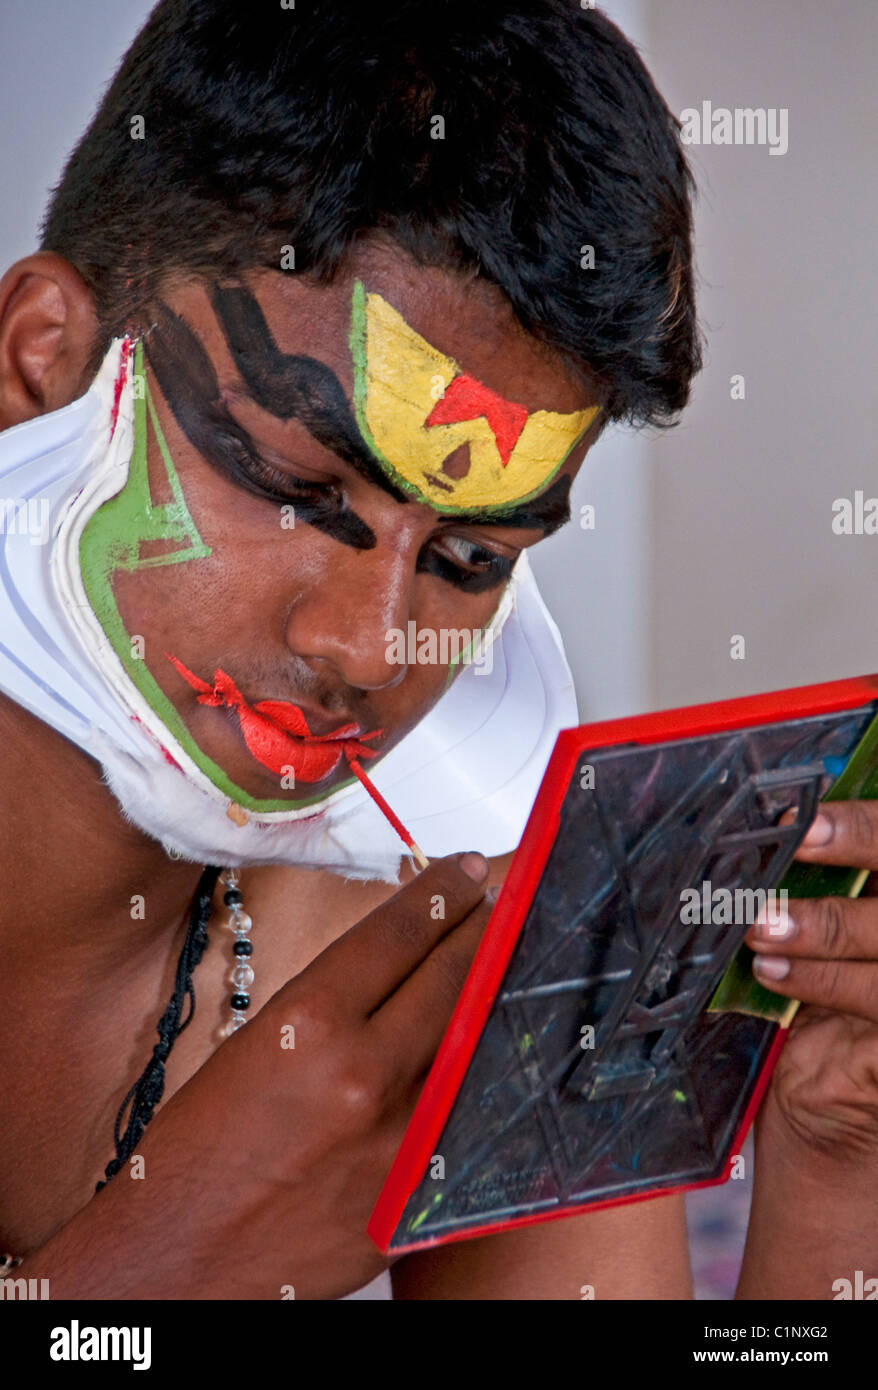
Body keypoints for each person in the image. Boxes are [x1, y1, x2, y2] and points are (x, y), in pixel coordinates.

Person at [1, 0, 875, 1301]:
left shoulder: (428, 958)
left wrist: (833, 1166)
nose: (362, 646)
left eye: (469, 557)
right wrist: (153, 1268)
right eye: (293, 487)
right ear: (42, 360)